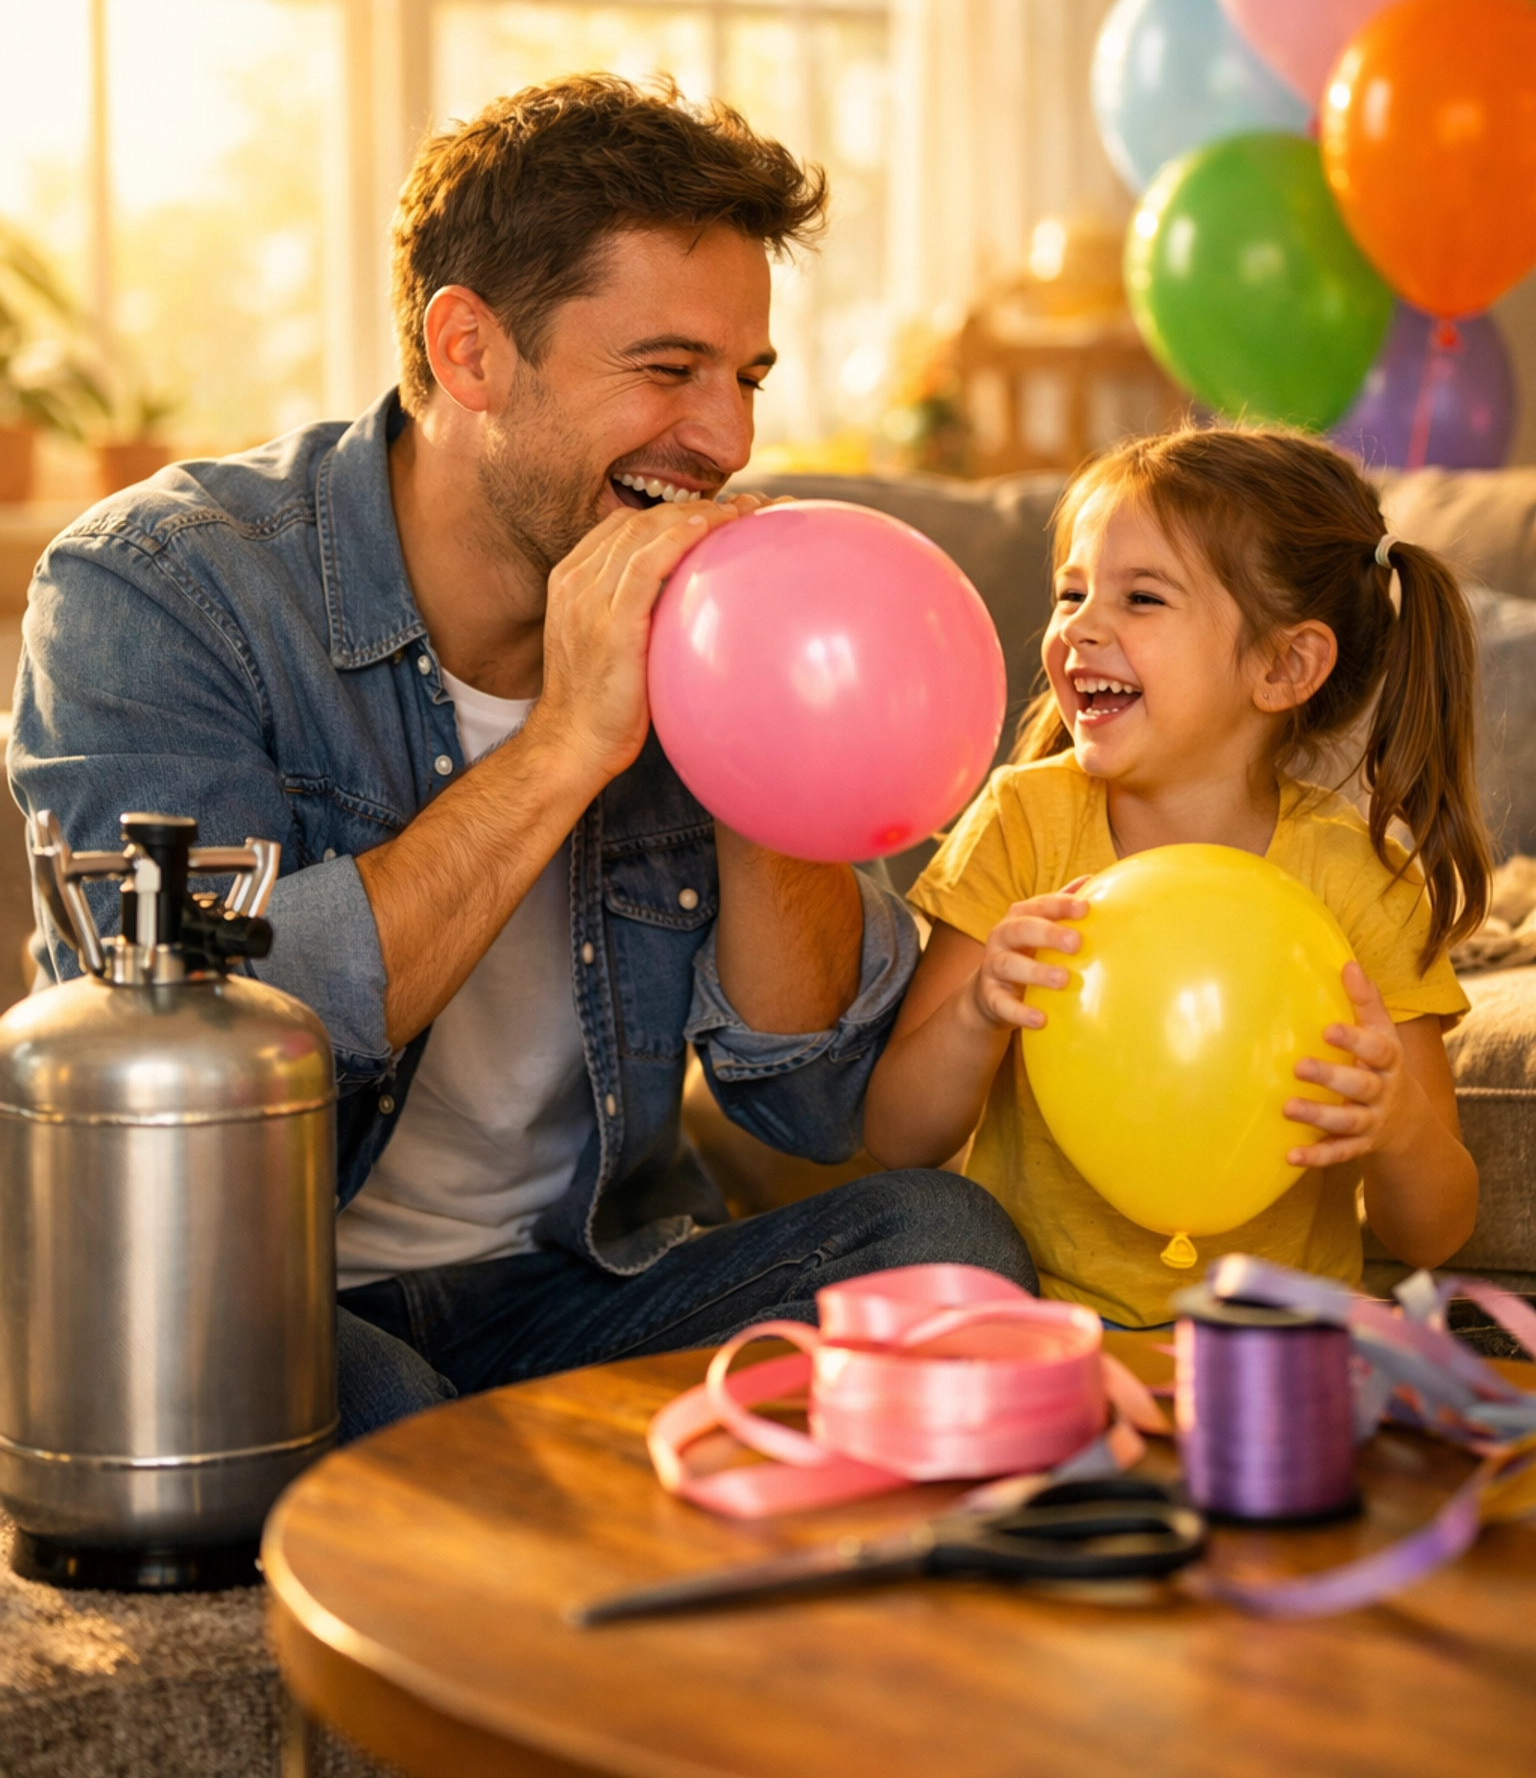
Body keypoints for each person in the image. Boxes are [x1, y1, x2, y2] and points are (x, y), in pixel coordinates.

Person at [9, 75, 1032, 1435]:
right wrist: (567, 743)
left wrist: (762, 752)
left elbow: (820, 1107)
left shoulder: (722, 619)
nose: (725, 438)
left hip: (580, 1291)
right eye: (667, 371)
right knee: (365, 1406)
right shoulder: (166, 589)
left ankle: (537, 1492)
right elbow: (180, 1043)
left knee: (941, 1246)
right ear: (471, 352)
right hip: (259, 1298)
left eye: (745, 379)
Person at [863, 425, 1487, 1330]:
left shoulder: (1357, 880)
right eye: (1070, 592)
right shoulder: (1024, 823)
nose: (1079, 625)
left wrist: (1394, 1127)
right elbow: (895, 1137)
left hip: (1273, 1360)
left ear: (1284, 665)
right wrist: (976, 1011)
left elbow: (1436, 1234)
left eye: (1142, 597)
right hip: (1042, 1340)